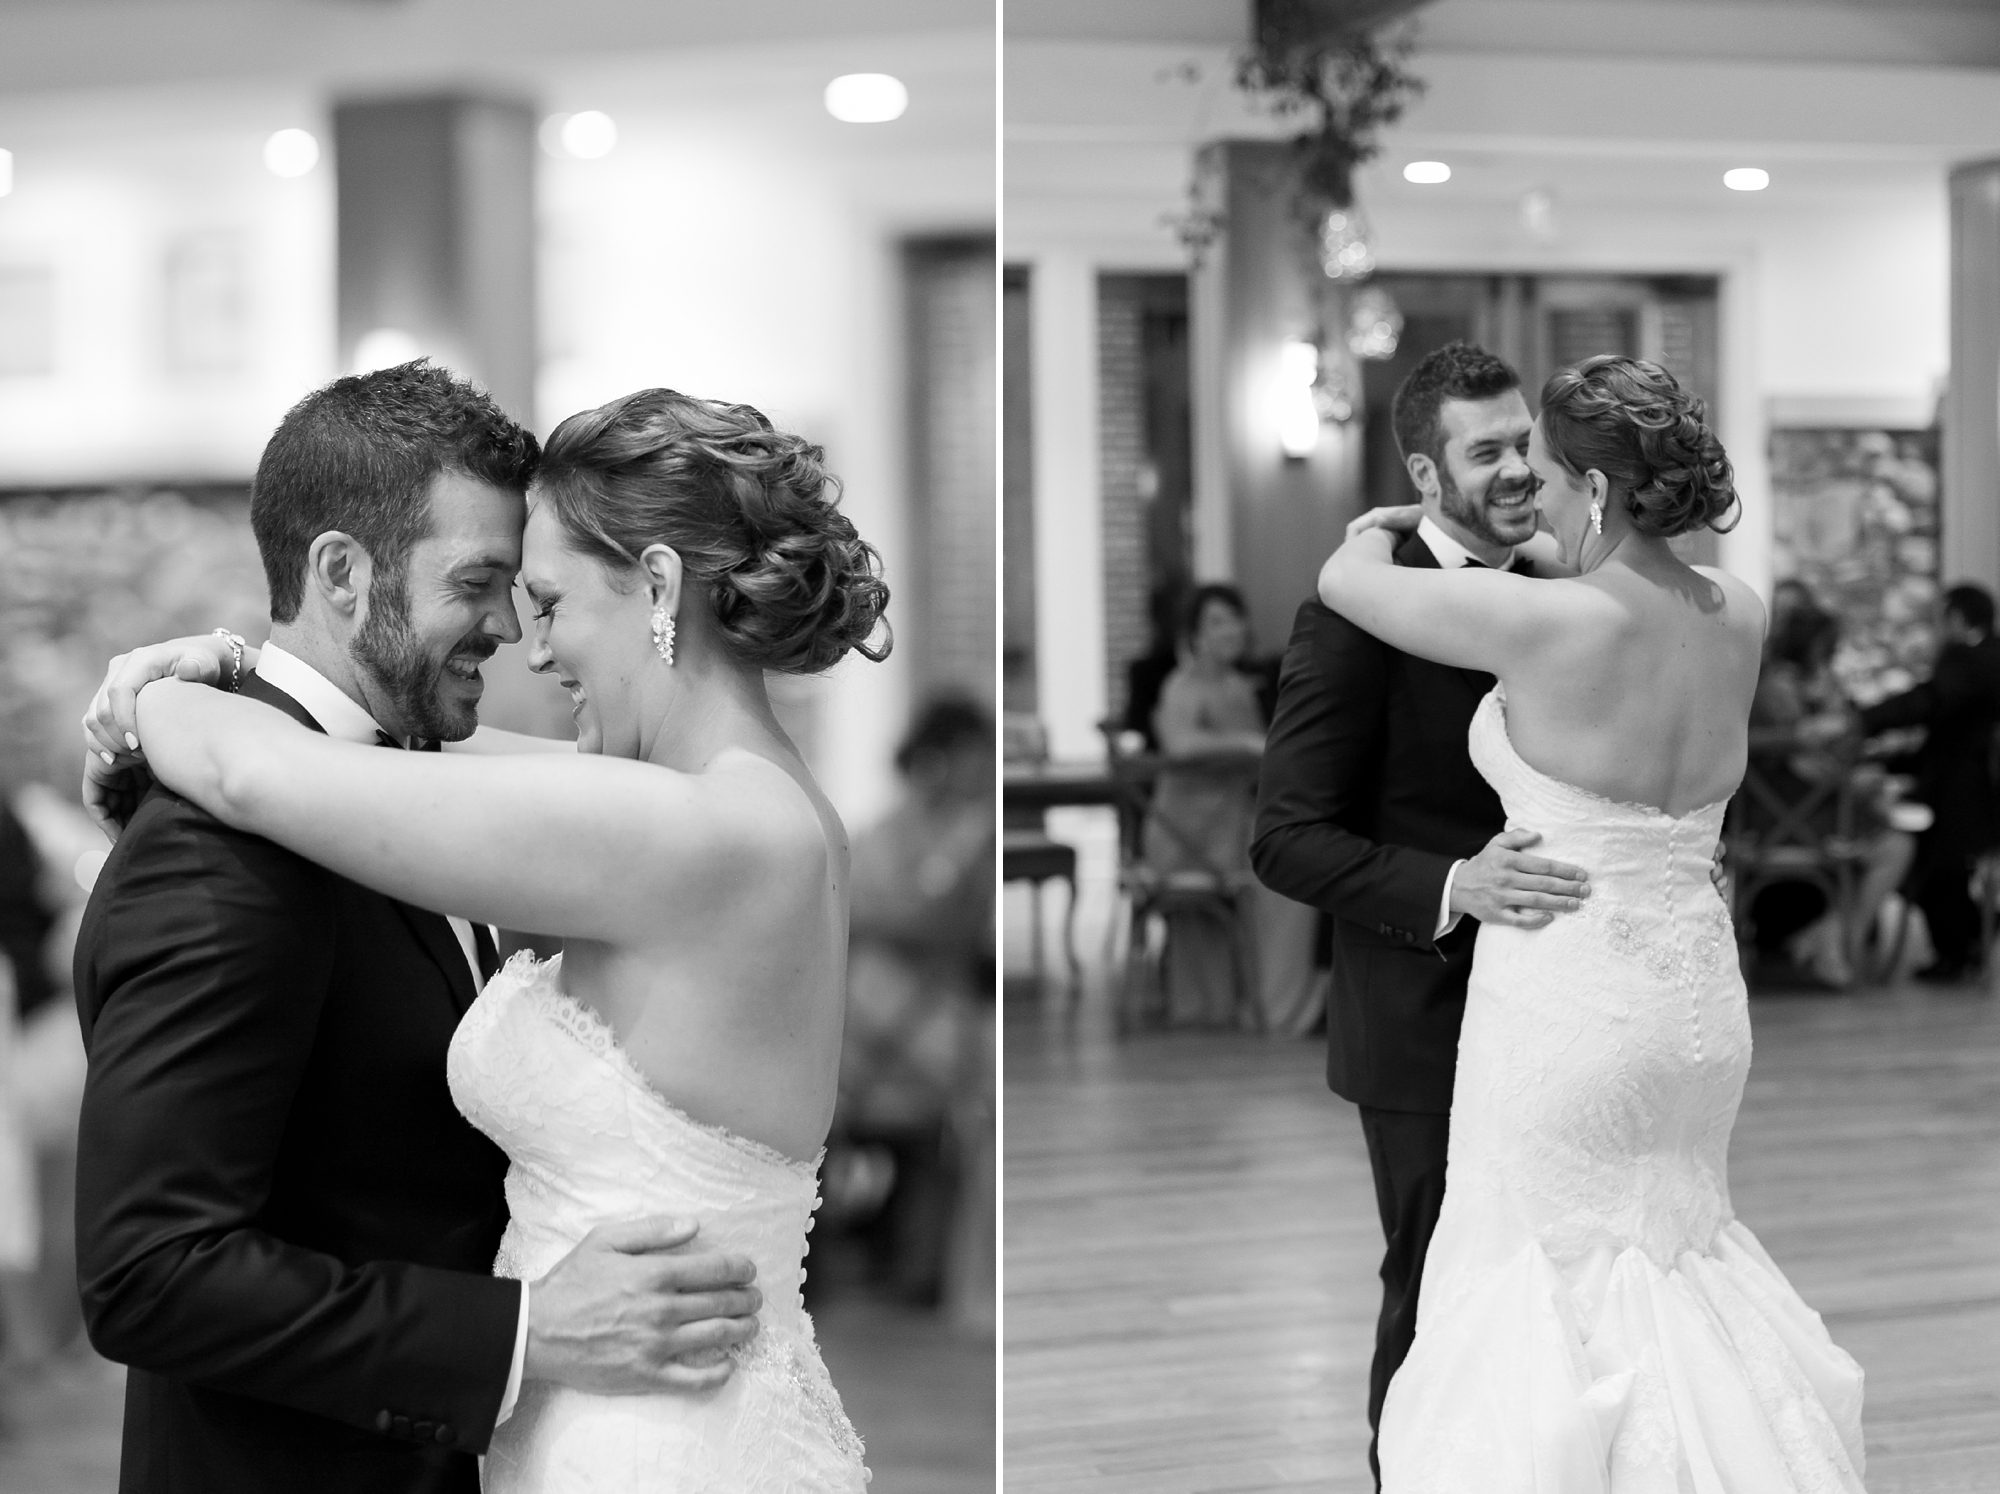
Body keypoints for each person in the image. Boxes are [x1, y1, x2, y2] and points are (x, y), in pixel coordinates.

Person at [77, 365, 884, 1492]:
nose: (523, 641)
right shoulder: (743, 804)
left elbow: (258, 772)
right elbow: (390, 762)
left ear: (658, 587)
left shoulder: (687, 831)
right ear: (342, 572)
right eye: (489, 586)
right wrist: (227, 674)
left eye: (543, 599)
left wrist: (154, 693)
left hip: (650, 1442)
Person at [1317, 354, 1864, 1488]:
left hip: (1569, 1001)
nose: (1535, 492)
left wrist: (1383, 524)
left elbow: (1343, 583)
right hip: (1696, 1007)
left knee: (1541, 1275)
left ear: (1601, 490)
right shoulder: (1740, 613)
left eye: (1552, 475)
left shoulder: (1545, 622)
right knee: (1673, 1255)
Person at [1251, 341, 1589, 1484]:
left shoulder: (1562, 594)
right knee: (1436, 1285)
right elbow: (1284, 838)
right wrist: (1453, 886)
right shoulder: (1354, 612)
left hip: (1562, 1005)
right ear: (1423, 473)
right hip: (1423, 1015)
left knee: (1549, 1283)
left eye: (1524, 445)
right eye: (1484, 451)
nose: (1516, 469)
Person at [1858, 581, 2000, 982]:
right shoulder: (1988, 656)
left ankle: (1958, 948)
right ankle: (1966, 941)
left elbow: (1929, 702)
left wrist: (1866, 720)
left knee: (1934, 865)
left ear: (1955, 618)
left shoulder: (1968, 659)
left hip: (1964, 792)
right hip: (1974, 788)